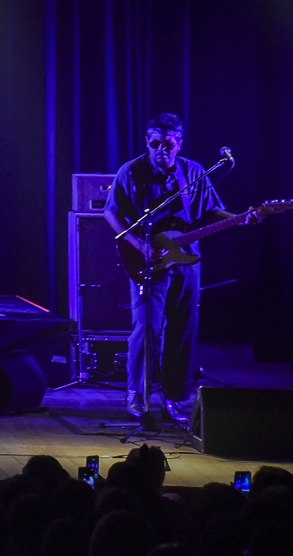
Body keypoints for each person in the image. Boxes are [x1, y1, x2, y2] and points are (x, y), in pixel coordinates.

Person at [104, 112, 249, 423]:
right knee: (147, 327)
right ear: (147, 142)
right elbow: (111, 213)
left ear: (179, 143)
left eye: (168, 144)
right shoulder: (132, 171)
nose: (162, 150)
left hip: (186, 260)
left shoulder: (193, 171)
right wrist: (139, 245)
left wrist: (241, 218)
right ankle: (136, 394)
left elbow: (211, 210)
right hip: (147, 259)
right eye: (155, 143)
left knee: (183, 329)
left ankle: (174, 398)